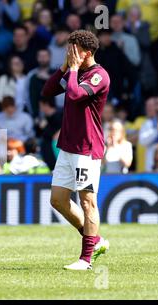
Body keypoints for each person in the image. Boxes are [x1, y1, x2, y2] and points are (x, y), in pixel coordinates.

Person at [42, 30, 110, 271]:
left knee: (87, 202)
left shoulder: (98, 75)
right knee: (58, 200)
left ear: (87, 53)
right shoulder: (74, 71)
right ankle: (95, 239)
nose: (69, 54)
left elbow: (74, 94)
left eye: (73, 50)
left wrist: (71, 70)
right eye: (67, 49)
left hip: (86, 148)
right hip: (68, 146)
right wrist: (64, 67)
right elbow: (48, 91)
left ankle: (86, 259)